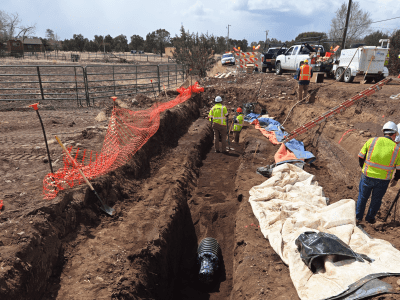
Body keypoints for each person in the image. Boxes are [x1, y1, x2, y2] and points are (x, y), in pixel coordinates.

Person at [356, 121, 400, 224]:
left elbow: (360, 156)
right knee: (376, 200)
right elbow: (399, 169)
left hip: (367, 176)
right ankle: (370, 219)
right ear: (393, 134)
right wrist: (396, 179)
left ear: (384, 132)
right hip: (383, 180)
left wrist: (363, 167)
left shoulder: (372, 141)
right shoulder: (397, 149)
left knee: (362, 197)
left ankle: (358, 218)